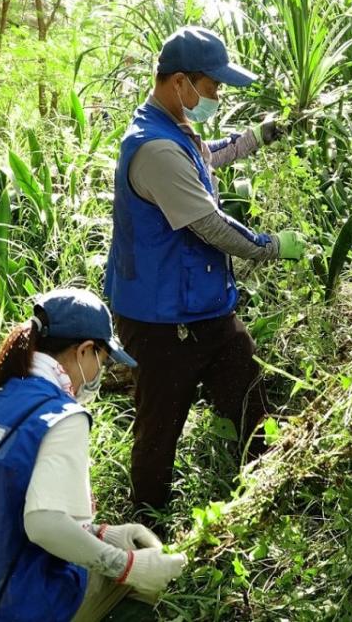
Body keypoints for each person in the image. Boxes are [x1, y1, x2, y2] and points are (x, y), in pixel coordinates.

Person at [105, 26, 303, 517]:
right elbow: (210, 226)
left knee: (250, 404)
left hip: (206, 309)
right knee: (159, 432)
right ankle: (148, 533)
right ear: (179, 82)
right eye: (212, 86)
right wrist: (271, 246)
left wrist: (260, 136)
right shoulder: (155, 149)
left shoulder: (174, 130)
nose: (217, 95)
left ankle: (263, 505)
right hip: (161, 322)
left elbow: (207, 155)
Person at [0, 288, 186, 622]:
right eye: (103, 360)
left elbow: (7, 502)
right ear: (85, 350)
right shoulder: (62, 415)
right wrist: (125, 566)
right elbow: (43, 524)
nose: (100, 372)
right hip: (23, 606)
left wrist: (101, 534)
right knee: (148, 565)